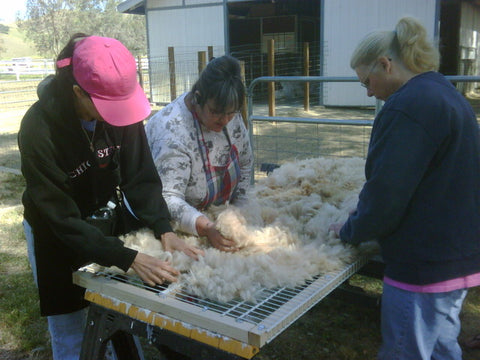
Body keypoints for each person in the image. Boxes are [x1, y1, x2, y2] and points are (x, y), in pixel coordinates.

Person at [18, 34, 203, 360]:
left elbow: (141, 175)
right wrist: (126, 256)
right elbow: (59, 216)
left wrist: (164, 227)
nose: (116, 118)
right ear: (78, 92)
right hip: (55, 232)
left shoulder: (120, 114)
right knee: (72, 327)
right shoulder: (38, 129)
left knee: (118, 315)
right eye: (107, 109)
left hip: (103, 218)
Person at [329, 17, 480, 360]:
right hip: (455, 258)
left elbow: (387, 193)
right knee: (442, 347)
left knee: (406, 352)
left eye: (367, 81)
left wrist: (349, 230)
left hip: (423, 266)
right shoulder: (443, 92)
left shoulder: (408, 106)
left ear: (385, 64)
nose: (368, 92)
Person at [145, 55, 253, 252]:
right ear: (197, 97)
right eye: (216, 112)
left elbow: (245, 162)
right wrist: (207, 227)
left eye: (232, 112)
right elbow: (167, 197)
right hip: (176, 227)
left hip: (217, 217)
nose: (225, 120)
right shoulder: (172, 133)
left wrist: (240, 211)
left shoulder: (230, 114)